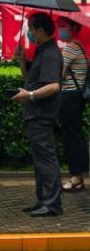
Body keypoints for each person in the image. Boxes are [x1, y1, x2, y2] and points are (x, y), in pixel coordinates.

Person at [12, 13, 63, 217]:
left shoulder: (50, 53)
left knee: (46, 159)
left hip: (42, 115)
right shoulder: (42, 50)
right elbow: (29, 79)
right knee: (40, 160)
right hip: (35, 115)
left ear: (40, 30)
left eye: (31, 28)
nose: (30, 33)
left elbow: (54, 86)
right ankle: (43, 199)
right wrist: (22, 61)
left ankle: (51, 204)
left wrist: (30, 95)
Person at [57, 16, 88, 191]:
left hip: (69, 98)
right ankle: (78, 176)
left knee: (71, 138)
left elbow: (58, 75)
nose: (60, 29)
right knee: (75, 135)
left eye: (64, 26)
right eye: (59, 26)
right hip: (75, 98)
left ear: (73, 28)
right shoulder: (80, 47)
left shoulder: (70, 48)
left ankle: (76, 178)